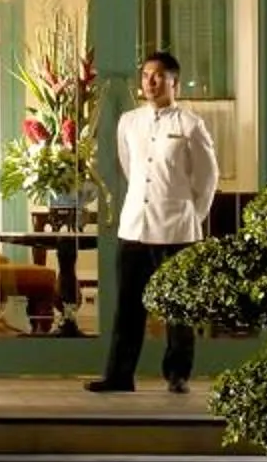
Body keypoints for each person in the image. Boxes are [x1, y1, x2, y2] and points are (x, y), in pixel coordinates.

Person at [86, 49, 220, 397]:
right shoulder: (129, 122)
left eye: (158, 76)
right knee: (128, 308)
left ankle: (178, 375)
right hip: (134, 227)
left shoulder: (191, 125)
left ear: (174, 82)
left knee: (178, 306)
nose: (150, 82)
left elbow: (207, 178)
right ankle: (119, 376)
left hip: (177, 230)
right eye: (146, 76)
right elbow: (129, 167)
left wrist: (191, 216)